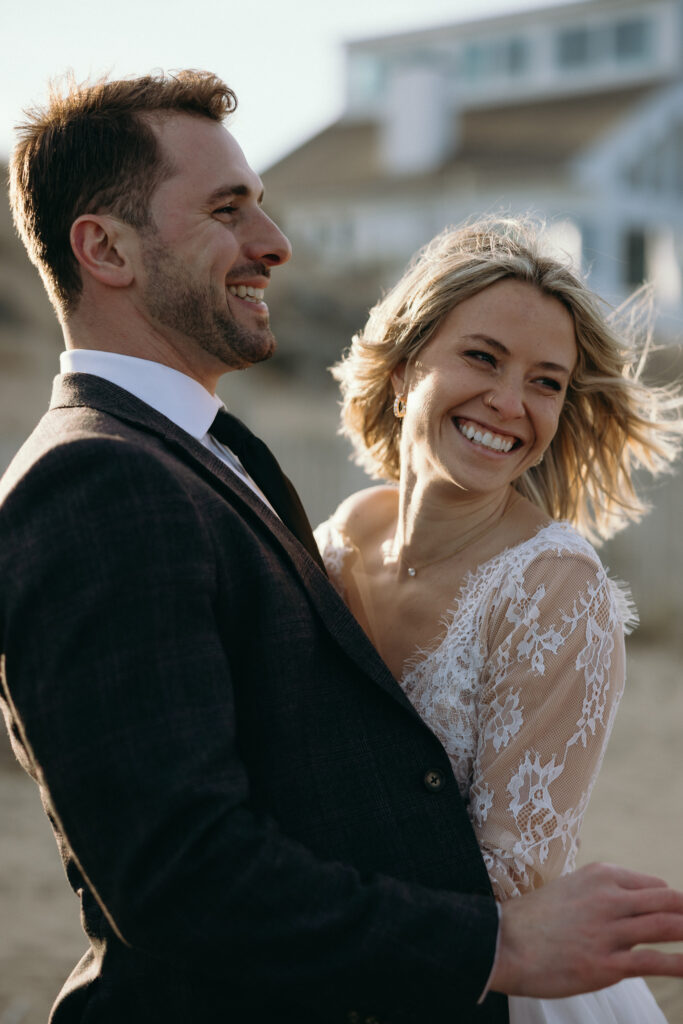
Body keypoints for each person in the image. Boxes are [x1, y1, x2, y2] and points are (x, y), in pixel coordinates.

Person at [1, 71, 683, 1024]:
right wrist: (496, 943)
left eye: (546, 382)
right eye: (228, 210)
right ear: (104, 247)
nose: (274, 244)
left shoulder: (210, 453)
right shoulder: (97, 482)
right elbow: (176, 869)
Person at [315, 217, 683, 1023]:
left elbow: (513, 875)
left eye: (545, 382)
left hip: (483, 981)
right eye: (481, 358)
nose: (509, 403)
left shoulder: (555, 590)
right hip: (330, 947)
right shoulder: (343, 536)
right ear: (409, 364)